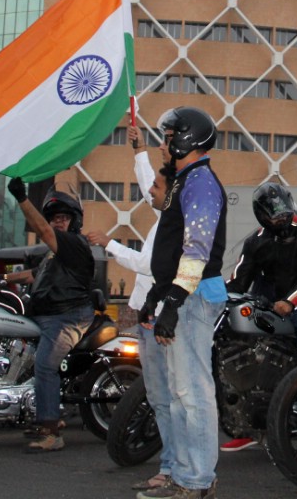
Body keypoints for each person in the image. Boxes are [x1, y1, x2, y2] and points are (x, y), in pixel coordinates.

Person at [137, 106, 228, 499]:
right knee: (179, 395)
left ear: (188, 139)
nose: (164, 143)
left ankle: (197, 481)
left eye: (169, 136)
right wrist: (157, 298)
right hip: (180, 298)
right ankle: (184, 474)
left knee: (192, 393)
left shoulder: (201, 182)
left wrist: (172, 302)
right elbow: (173, 249)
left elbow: (197, 250)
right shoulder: (184, 180)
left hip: (192, 300)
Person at [84, 122, 177, 492]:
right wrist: (138, 150)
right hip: (146, 318)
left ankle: (171, 468)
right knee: (160, 397)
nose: (149, 191)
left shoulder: (170, 223)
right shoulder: (165, 215)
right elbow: (148, 185)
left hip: (155, 320)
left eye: (157, 186)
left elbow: (148, 266)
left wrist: (110, 244)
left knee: (164, 399)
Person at [219, 182, 297, 452]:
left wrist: (290, 302)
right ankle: (247, 426)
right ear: (261, 215)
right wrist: (213, 298)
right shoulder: (256, 241)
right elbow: (238, 280)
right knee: (251, 355)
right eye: (273, 212)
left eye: (282, 209)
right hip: (277, 308)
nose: (280, 216)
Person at [5, 182, 95, 454]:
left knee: (45, 365)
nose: (57, 223)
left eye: (63, 218)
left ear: (74, 222)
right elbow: (33, 274)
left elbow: (42, 231)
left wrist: (22, 198)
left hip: (67, 316)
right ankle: (43, 412)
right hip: (47, 315)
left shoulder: (75, 245)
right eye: (54, 219)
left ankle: (51, 432)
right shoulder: (54, 255)